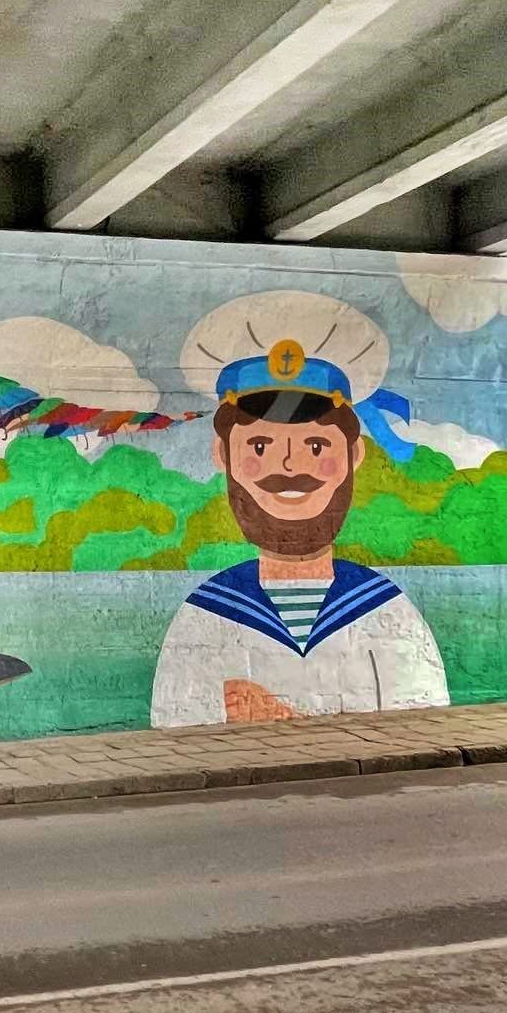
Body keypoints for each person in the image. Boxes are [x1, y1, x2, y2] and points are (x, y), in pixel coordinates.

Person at [152, 292, 448, 727]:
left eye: (316, 445)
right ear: (223, 455)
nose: (289, 466)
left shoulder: (386, 609)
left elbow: (421, 727)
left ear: (354, 455)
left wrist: (281, 716)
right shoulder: (203, 615)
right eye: (260, 446)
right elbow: (175, 727)